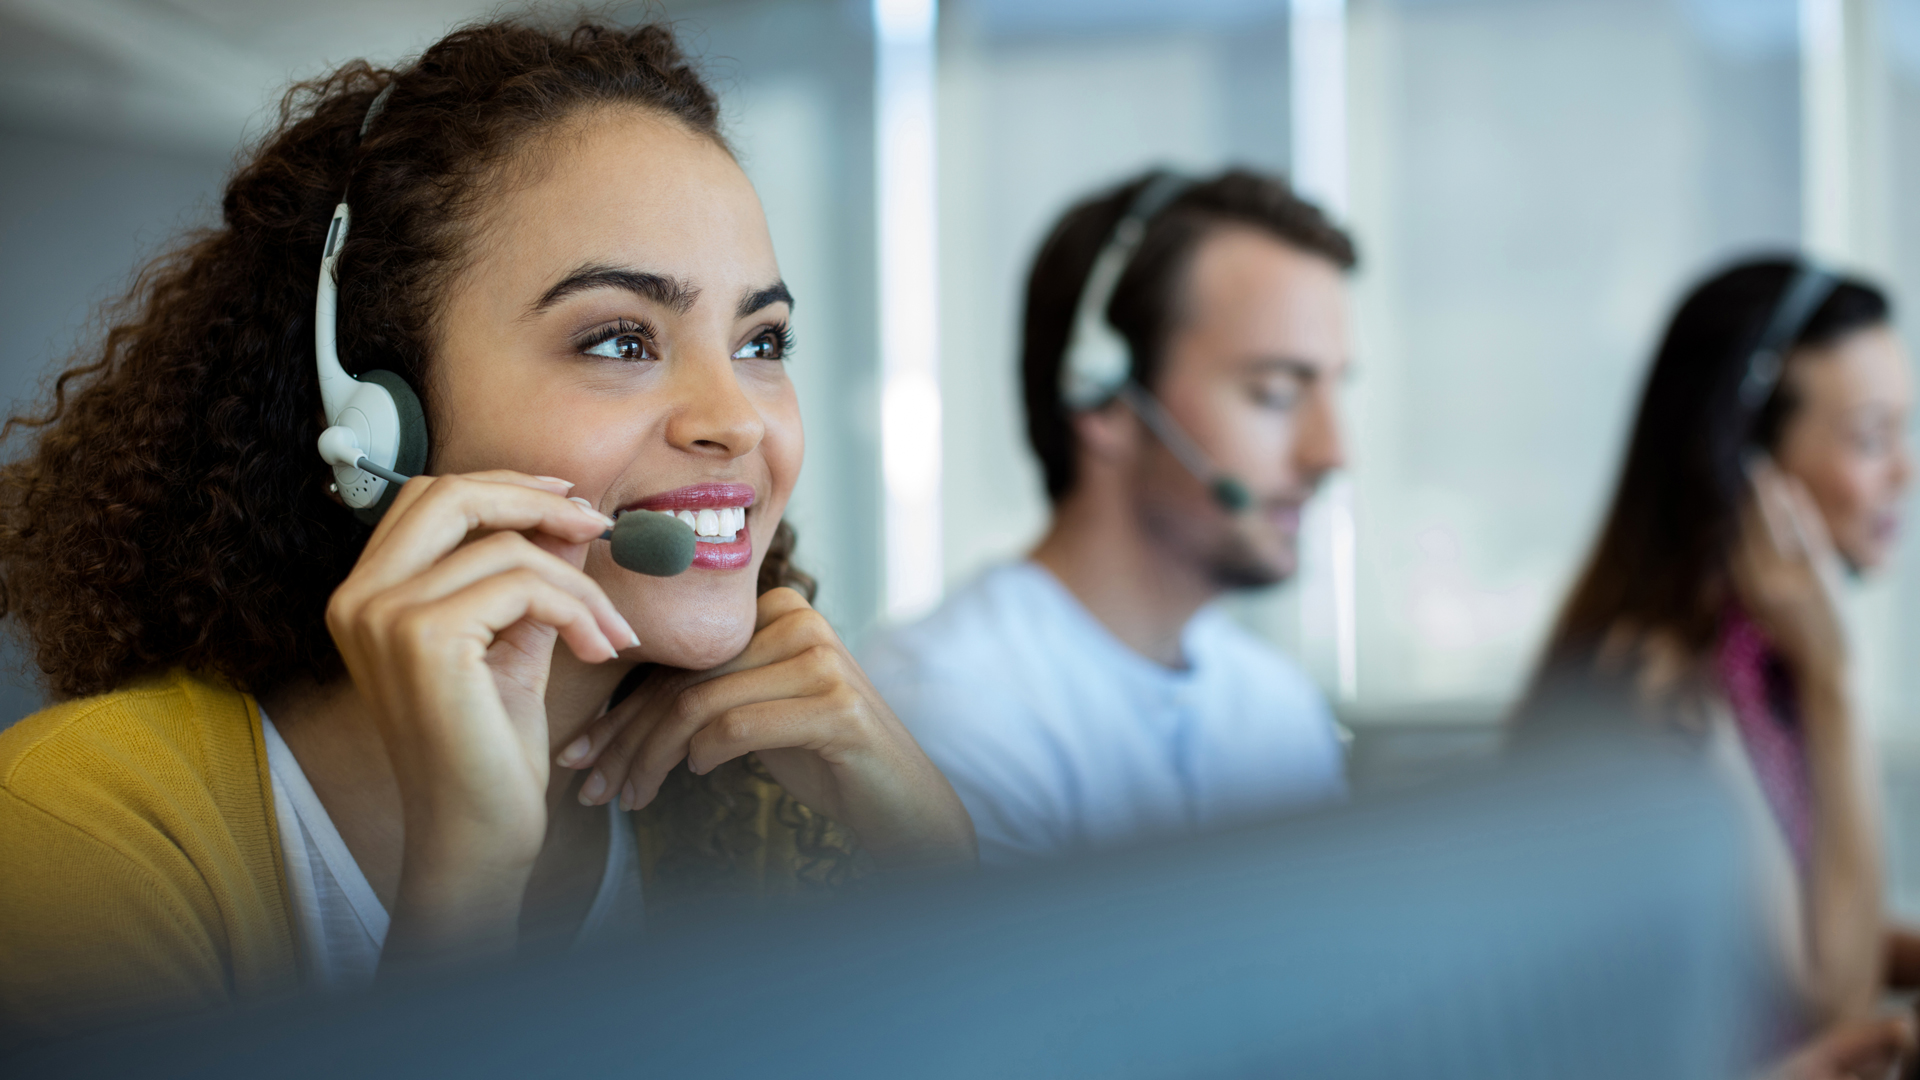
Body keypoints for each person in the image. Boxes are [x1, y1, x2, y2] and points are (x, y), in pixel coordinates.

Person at [0, 15, 973, 1048]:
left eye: (761, 339)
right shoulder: (78, 835)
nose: (735, 419)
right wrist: (464, 883)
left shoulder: (756, 795)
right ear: (378, 412)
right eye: (619, 339)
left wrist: (938, 860)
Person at [857, 169, 1352, 865]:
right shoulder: (948, 709)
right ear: (1105, 402)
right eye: (1274, 393)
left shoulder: (1279, 708)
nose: (1332, 453)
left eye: (1334, 390)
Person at [1521, 258, 1915, 1079]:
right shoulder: (1664, 688)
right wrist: (1838, 677)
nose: (1905, 472)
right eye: (1872, 438)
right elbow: (1827, 995)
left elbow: (1772, 931)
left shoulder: (1756, 656)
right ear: (1745, 459)